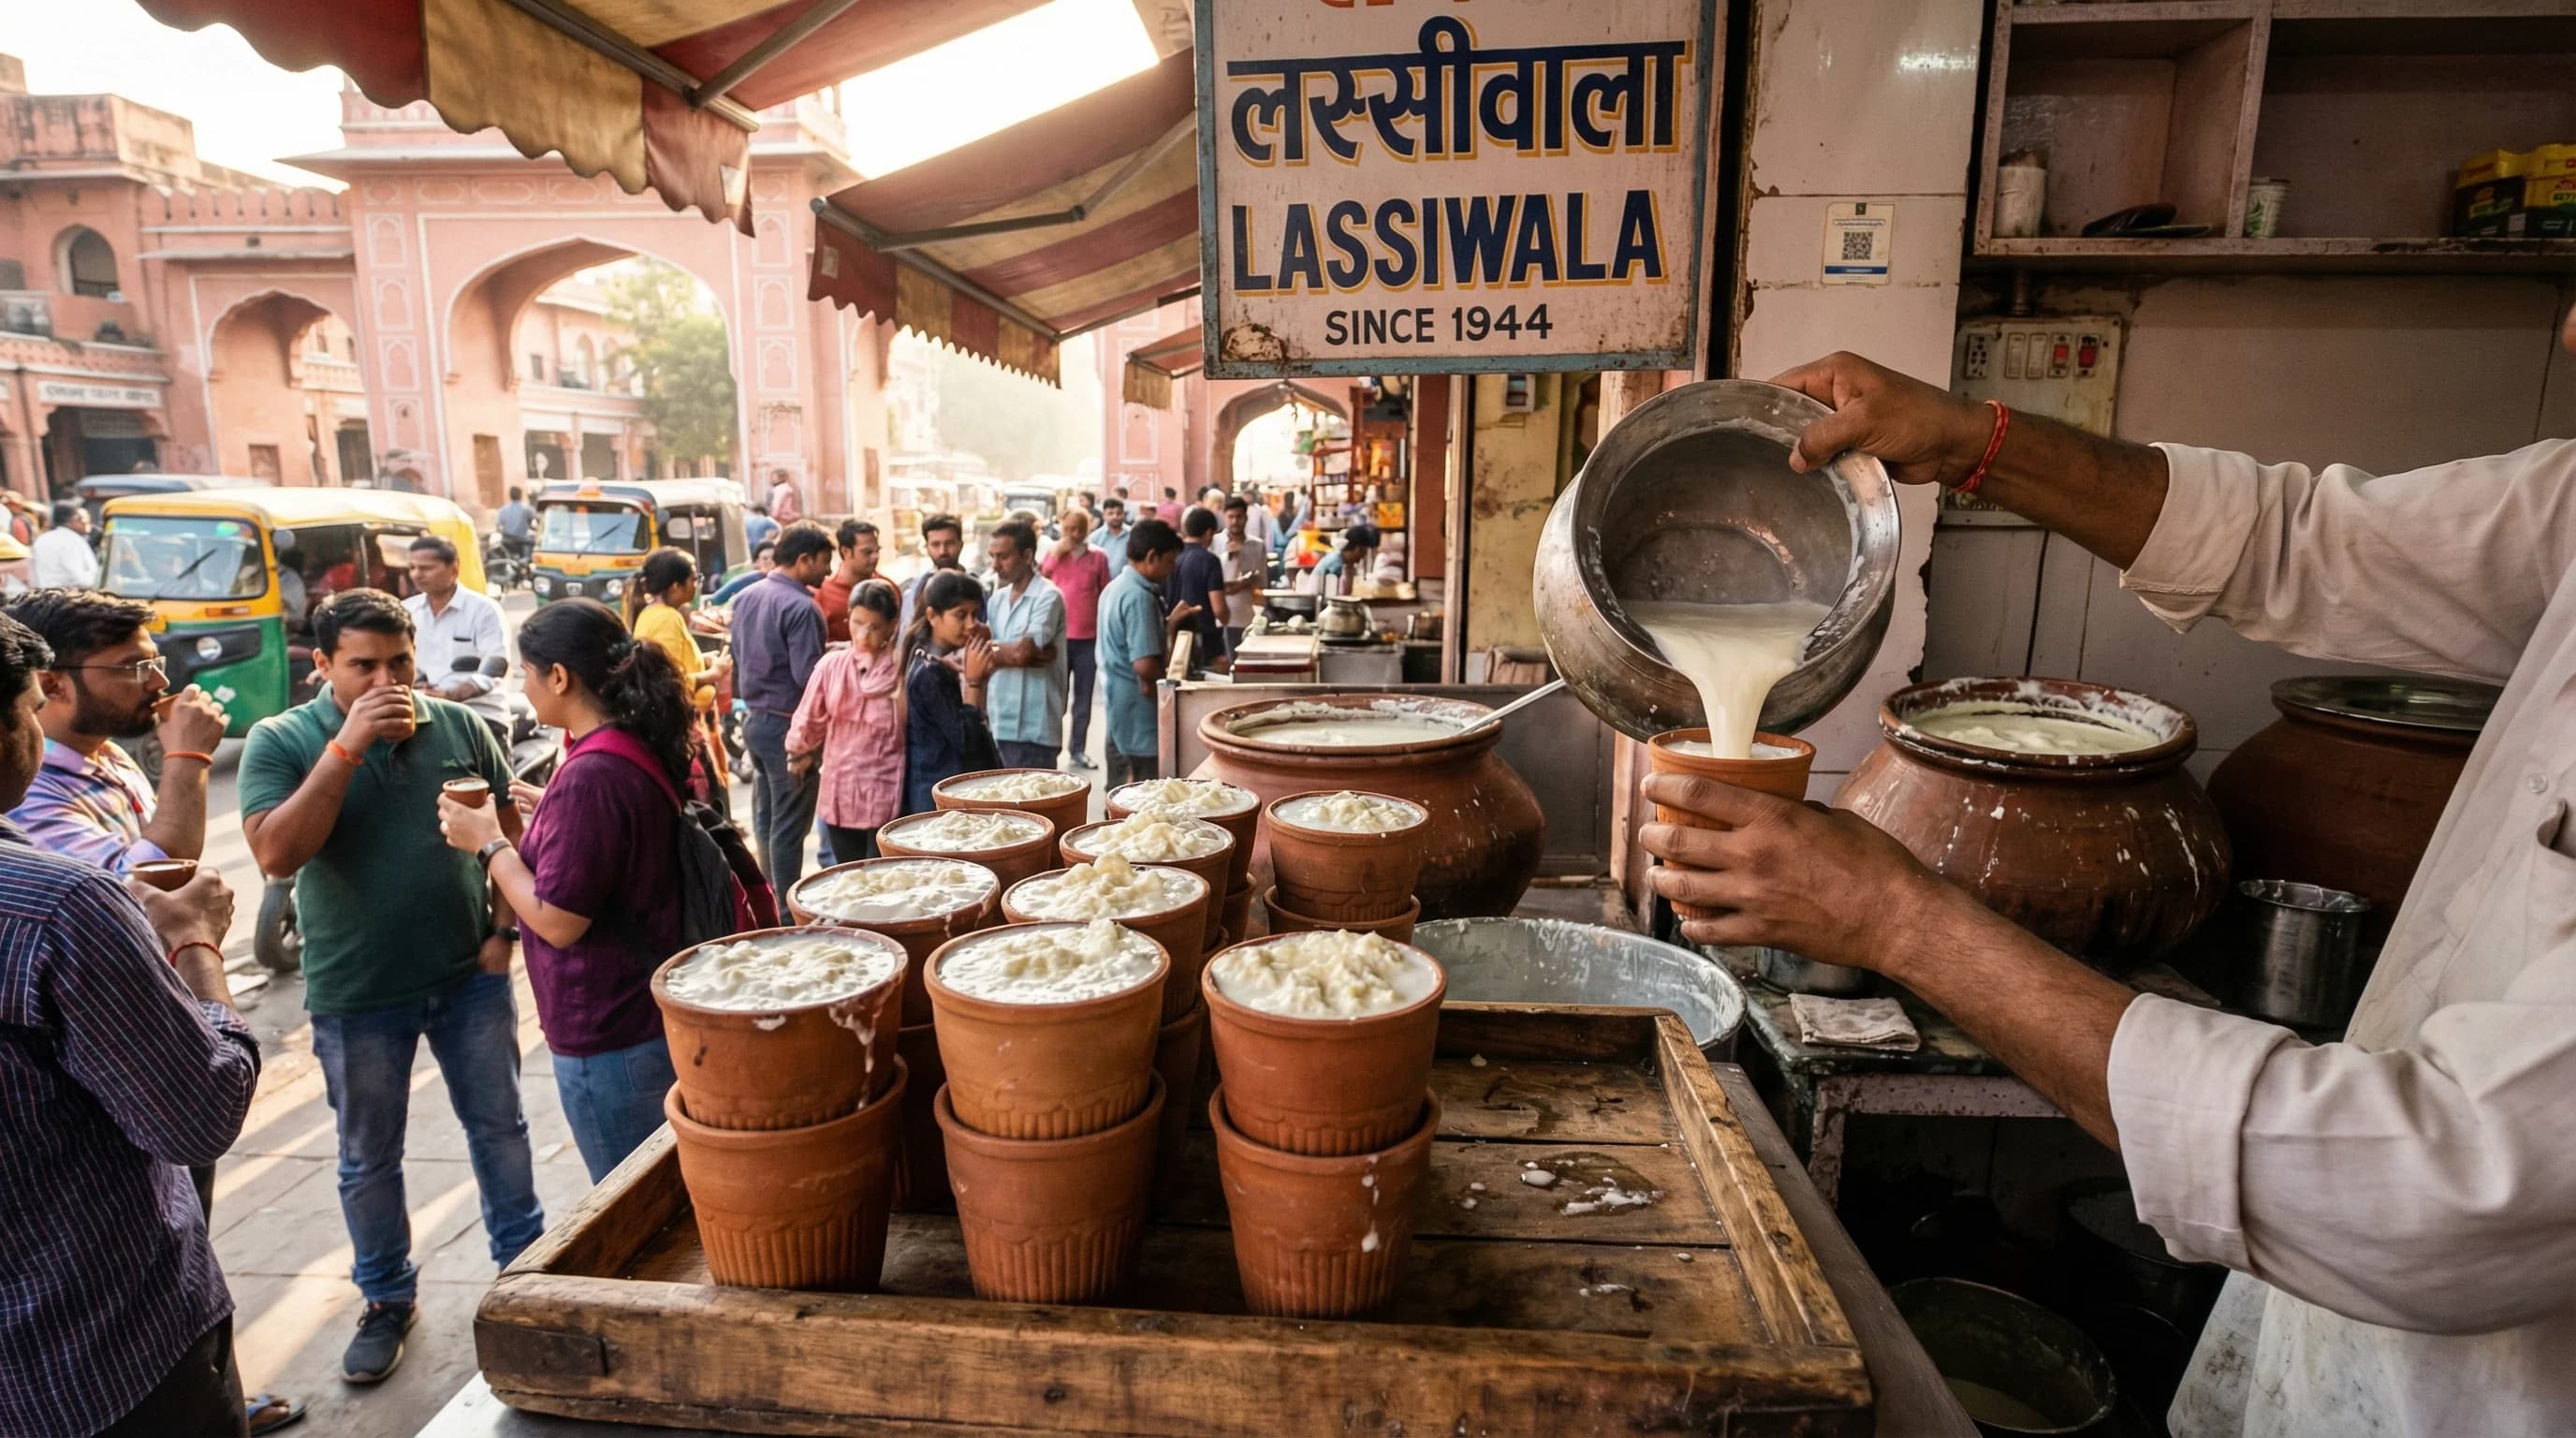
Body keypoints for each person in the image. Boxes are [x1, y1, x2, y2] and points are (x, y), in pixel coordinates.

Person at [1639, 324, 2576, 1438]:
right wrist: (1979, 442)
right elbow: (2298, 542)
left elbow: (2443, 1194)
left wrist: (1897, 918)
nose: (2565, 327)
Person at [238, 588, 542, 1385]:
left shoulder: (465, 725)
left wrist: (502, 936)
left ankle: (530, 1270)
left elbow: (508, 836)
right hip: (358, 991)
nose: (387, 680)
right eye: (363, 666)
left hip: (466, 975)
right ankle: (386, 1298)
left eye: (400, 662)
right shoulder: (284, 739)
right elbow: (275, 856)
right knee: (368, 1156)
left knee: (501, 1129)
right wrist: (344, 749)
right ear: (323, 666)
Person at [0, 609, 271, 1438]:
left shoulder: (107, 772)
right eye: (21, 714)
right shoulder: (55, 905)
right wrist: (196, 948)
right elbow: (200, 1115)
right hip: (106, 1356)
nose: (154, 680)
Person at [435, 599, 688, 1182]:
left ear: (558, 676)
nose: (522, 688)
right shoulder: (617, 747)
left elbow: (557, 920)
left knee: (634, 1201)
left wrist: (489, 841)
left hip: (612, 1030)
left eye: (525, 673)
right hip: (638, 1016)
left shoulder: (592, 774)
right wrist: (548, 807)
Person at [5, 589, 228, 876]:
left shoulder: (109, 754)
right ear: (53, 686)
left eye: (155, 664)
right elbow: (141, 891)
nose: (158, 681)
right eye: (135, 667)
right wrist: (188, 758)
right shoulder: (27, 792)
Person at [731, 521, 832, 888]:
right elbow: (811, 680)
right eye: (824, 561)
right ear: (803, 560)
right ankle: (787, 915)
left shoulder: (747, 596)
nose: (828, 570)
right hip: (787, 728)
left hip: (755, 721)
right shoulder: (802, 607)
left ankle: (770, 901)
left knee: (768, 819)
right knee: (788, 827)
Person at [786, 579, 903, 860]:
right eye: (857, 623)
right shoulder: (831, 666)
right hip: (841, 789)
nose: (863, 635)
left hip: (886, 791)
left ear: (891, 626)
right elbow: (808, 720)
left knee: (884, 877)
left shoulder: (902, 672)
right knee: (848, 875)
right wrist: (797, 755)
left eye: (874, 627)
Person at [626, 548, 733, 810]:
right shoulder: (666, 618)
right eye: (694, 579)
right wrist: (714, 673)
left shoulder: (654, 613)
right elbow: (669, 682)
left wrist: (702, 659)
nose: (696, 585)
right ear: (676, 586)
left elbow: (673, 662)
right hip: (684, 728)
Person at [1095, 520, 1199, 786]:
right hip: (1139, 718)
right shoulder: (1138, 596)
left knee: (1119, 791)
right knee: (1139, 795)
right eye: (1170, 561)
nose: (1172, 568)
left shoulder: (1115, 588)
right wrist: (1168, 700)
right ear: (1152, 556)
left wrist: (1169, 624)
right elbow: (1144, 665)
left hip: (1120, 710)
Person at [900, 569, 999, 814]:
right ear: (932, 615)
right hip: (939, 799)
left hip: (940, 791)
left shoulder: (931, 658)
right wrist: (974, 683)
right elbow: (967, 743)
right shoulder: (930, 672)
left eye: (974, 615)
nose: (970, 625)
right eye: (960, 615)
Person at [980, 519, 1068, 771]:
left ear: (1027, 555)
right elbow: (997, 653)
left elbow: (1022, 653)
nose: (996, 565)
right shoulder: (997, 600)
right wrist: (1012, 653)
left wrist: (1000, 652)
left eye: (1003, 557)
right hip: (1000, 721)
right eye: (993, 557)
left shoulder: (1047, 596)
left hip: (1035, 726)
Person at [402, 536, 509, 701]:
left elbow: (496, 662)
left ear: (454, 568)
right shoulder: (406, 610)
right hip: (425, 706)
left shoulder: (484, 609)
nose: (416, 574)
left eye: (426, 568)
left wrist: (454, 695)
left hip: (478, 710)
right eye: (412, 567)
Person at [1044, 508, 1110, 770]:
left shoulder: (1098, 558)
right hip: (1059, 639)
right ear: (1061, 527)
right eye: (1069, 528)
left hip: (1088, 640)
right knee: (1057, 699)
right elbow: (1041, 579)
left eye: (1079, 529)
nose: (1073, 534)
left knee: (1083, 700)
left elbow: (1105, 594)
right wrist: (1055, 555)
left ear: (1088, 529)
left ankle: (1078, 750)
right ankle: (1053, 750)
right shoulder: (1055, 555)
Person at [1170, 506, 1229, 670]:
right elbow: (1218, 608)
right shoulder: (1210, 560)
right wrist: (1226, 618)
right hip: (1205, 637)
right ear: (1209, 532)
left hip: (1174, 633)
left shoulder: (1172, 557)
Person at [899, 512, 966, 634]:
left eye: (949, 543)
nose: (943, 551)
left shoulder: (976, 588)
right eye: (935, 544)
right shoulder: (915, 591)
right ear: (927, 547)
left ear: (960, 545)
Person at [816, 518, 882, 645]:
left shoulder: (888, 588)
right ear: (845, 551)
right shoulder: (822, 593)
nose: (875, 557)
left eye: (877, 551)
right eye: (867, 552)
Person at [1219, 495, 1266, 652]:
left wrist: (1248, 583)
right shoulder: (1215, 542)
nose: (1235, 521)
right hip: (1221, 616)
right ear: (1224, 517)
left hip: (1247, 616)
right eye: (1231, 517)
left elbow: (1262, 581)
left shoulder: (1257, 545)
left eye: (1239, 516)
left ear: (1246, 518)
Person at [32, 501, 97, 589]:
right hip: (69, 597)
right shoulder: (73, 540)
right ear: (74, 519)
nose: (84, 523)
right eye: (81, 519)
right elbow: (80, 579)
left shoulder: (42, 539)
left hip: (42, 597)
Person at [1311, 521, 1379, 594]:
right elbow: (1335, 597)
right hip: (1315, 604)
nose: (1364, 556)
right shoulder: (1335, 564)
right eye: (1364, 551)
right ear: (1358, 549)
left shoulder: (1341, 560)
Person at [709, 539, 777, 603]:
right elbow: (716, 599)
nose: (770, 562)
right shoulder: (744, 580)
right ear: (756, 562)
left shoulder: (782, 582)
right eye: (765, 559)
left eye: (773, 558)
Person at [1093, 495, 1134, 579]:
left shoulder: (1133, 535)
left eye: (1119, 513)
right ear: (1104, 515)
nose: (1115, 516)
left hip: (1127, 584)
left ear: (1124, 514)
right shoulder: (1095, 537)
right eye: (1110, 513)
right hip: (1102, 586)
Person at [494, 486, 535, 565]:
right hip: (522, 540)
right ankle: (527, 562)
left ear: (510, 495)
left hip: (507, 540)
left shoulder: (503, 510)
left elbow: (499, 525)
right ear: (521, 495)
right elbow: (532, 520)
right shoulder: (527, 509)